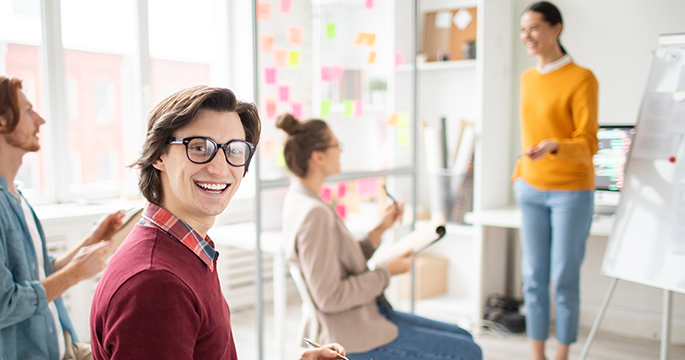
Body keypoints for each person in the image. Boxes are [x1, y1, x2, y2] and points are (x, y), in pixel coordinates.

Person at [89, 85, 344, 360]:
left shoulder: (186, 248)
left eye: (234, 150)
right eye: (199, 147)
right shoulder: (157, 285)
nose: (220, 168)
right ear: (159, 155)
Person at [276, 113, 483, 360]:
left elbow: (336, 263)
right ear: (318, 157)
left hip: (365, 314)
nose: (341, 152)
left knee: (465, 338)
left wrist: (379, 230)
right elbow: (330, 297)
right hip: (349, 333)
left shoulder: (301, 200)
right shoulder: (314, 213)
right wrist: (386, 272)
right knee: (469, 352)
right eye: (336, 145)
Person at [0, 75, 125, 360]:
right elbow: (4, 304)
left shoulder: (17, 195)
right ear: (2, 120)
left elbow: (44, 271)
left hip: (61, 346)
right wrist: (77, 273)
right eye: (29, 111)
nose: (40, 120)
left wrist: (92, 239)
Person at [513, 2, 599, 360]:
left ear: (556, 29)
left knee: (564, 279)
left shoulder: (581, 78)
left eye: (534, 27)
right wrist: (520, 174)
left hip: (571, 192)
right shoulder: (527, 79)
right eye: (523, 30)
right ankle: (537, 355)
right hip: (530, 188)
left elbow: (588, 143)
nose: (527, 36)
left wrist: (554, 146)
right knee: (533, 279)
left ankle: (562, 355)